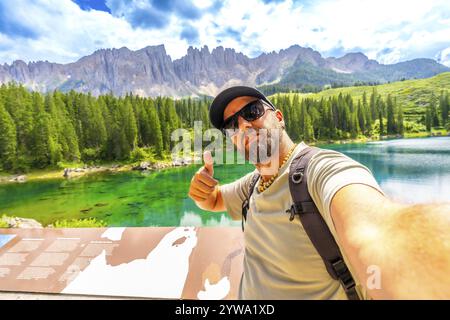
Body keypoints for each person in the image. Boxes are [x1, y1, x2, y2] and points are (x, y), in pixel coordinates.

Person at [188, 86, 450, 300]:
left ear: (279, 117)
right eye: (232, 125)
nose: (243, 126)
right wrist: (202, 190)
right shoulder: (253, 184)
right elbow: (214, 201)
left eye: (252, 111)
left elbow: (379, 233)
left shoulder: (320, 170)